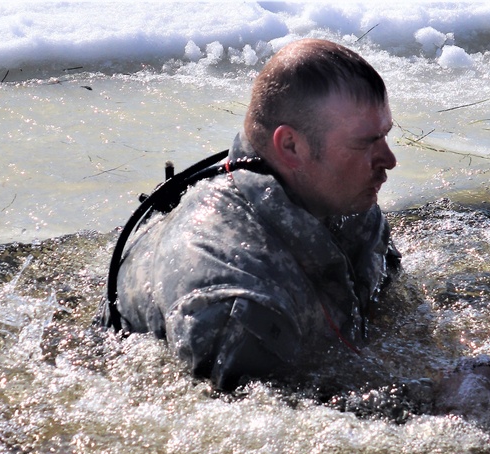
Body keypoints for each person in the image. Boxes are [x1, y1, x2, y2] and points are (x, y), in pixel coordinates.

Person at [108, 38, 401, 390]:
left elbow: (390, 306)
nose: (389, 160)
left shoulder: (343, 202)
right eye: (365, 143)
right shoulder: (234, 300)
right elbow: (272, 430)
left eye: (384, 136)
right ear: (291, 146)